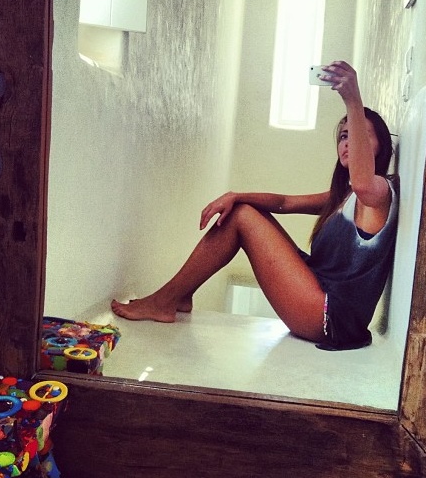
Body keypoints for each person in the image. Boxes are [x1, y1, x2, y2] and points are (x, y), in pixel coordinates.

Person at [111, 61, 399, 350]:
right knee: (241, 210)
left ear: (381, 146)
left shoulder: (379, 194)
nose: (347, 142)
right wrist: (236, 195)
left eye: (360, 134)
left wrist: (353, 100)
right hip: (316, 293)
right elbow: (285, 202)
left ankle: (164, 301)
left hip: (330, 318)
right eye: (344, 136)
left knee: (242, 217)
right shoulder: (342, 196)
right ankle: (181, 295)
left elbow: (363, 183)